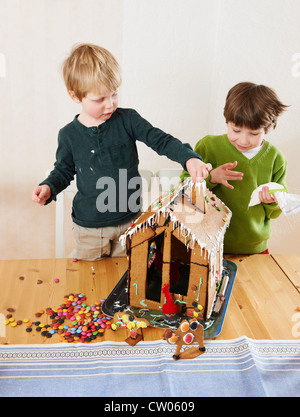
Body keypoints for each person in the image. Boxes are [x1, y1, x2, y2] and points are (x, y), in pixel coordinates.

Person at [32, 43, 211, 261]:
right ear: (75, 97)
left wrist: (189, 158)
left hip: (131, 222)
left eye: (114, 94)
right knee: (92, 281)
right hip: (89, 229)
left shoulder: (128, 119)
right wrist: (49, 187)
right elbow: (63, 171)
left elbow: (161, 140)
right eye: (100, 99)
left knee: (127, 279)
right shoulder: (68, 135)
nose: (110, 105)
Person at [181, 82, 288, 254]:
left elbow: (276, 211)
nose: (243, 140)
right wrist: (211, 177)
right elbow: (183, 191)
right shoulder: (209, 147)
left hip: (256, 249)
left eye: (254, 134)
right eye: (236, 130)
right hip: (210, 245)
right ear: (227, 121)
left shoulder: (275, 158)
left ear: (267, 129)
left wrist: (272, 202)